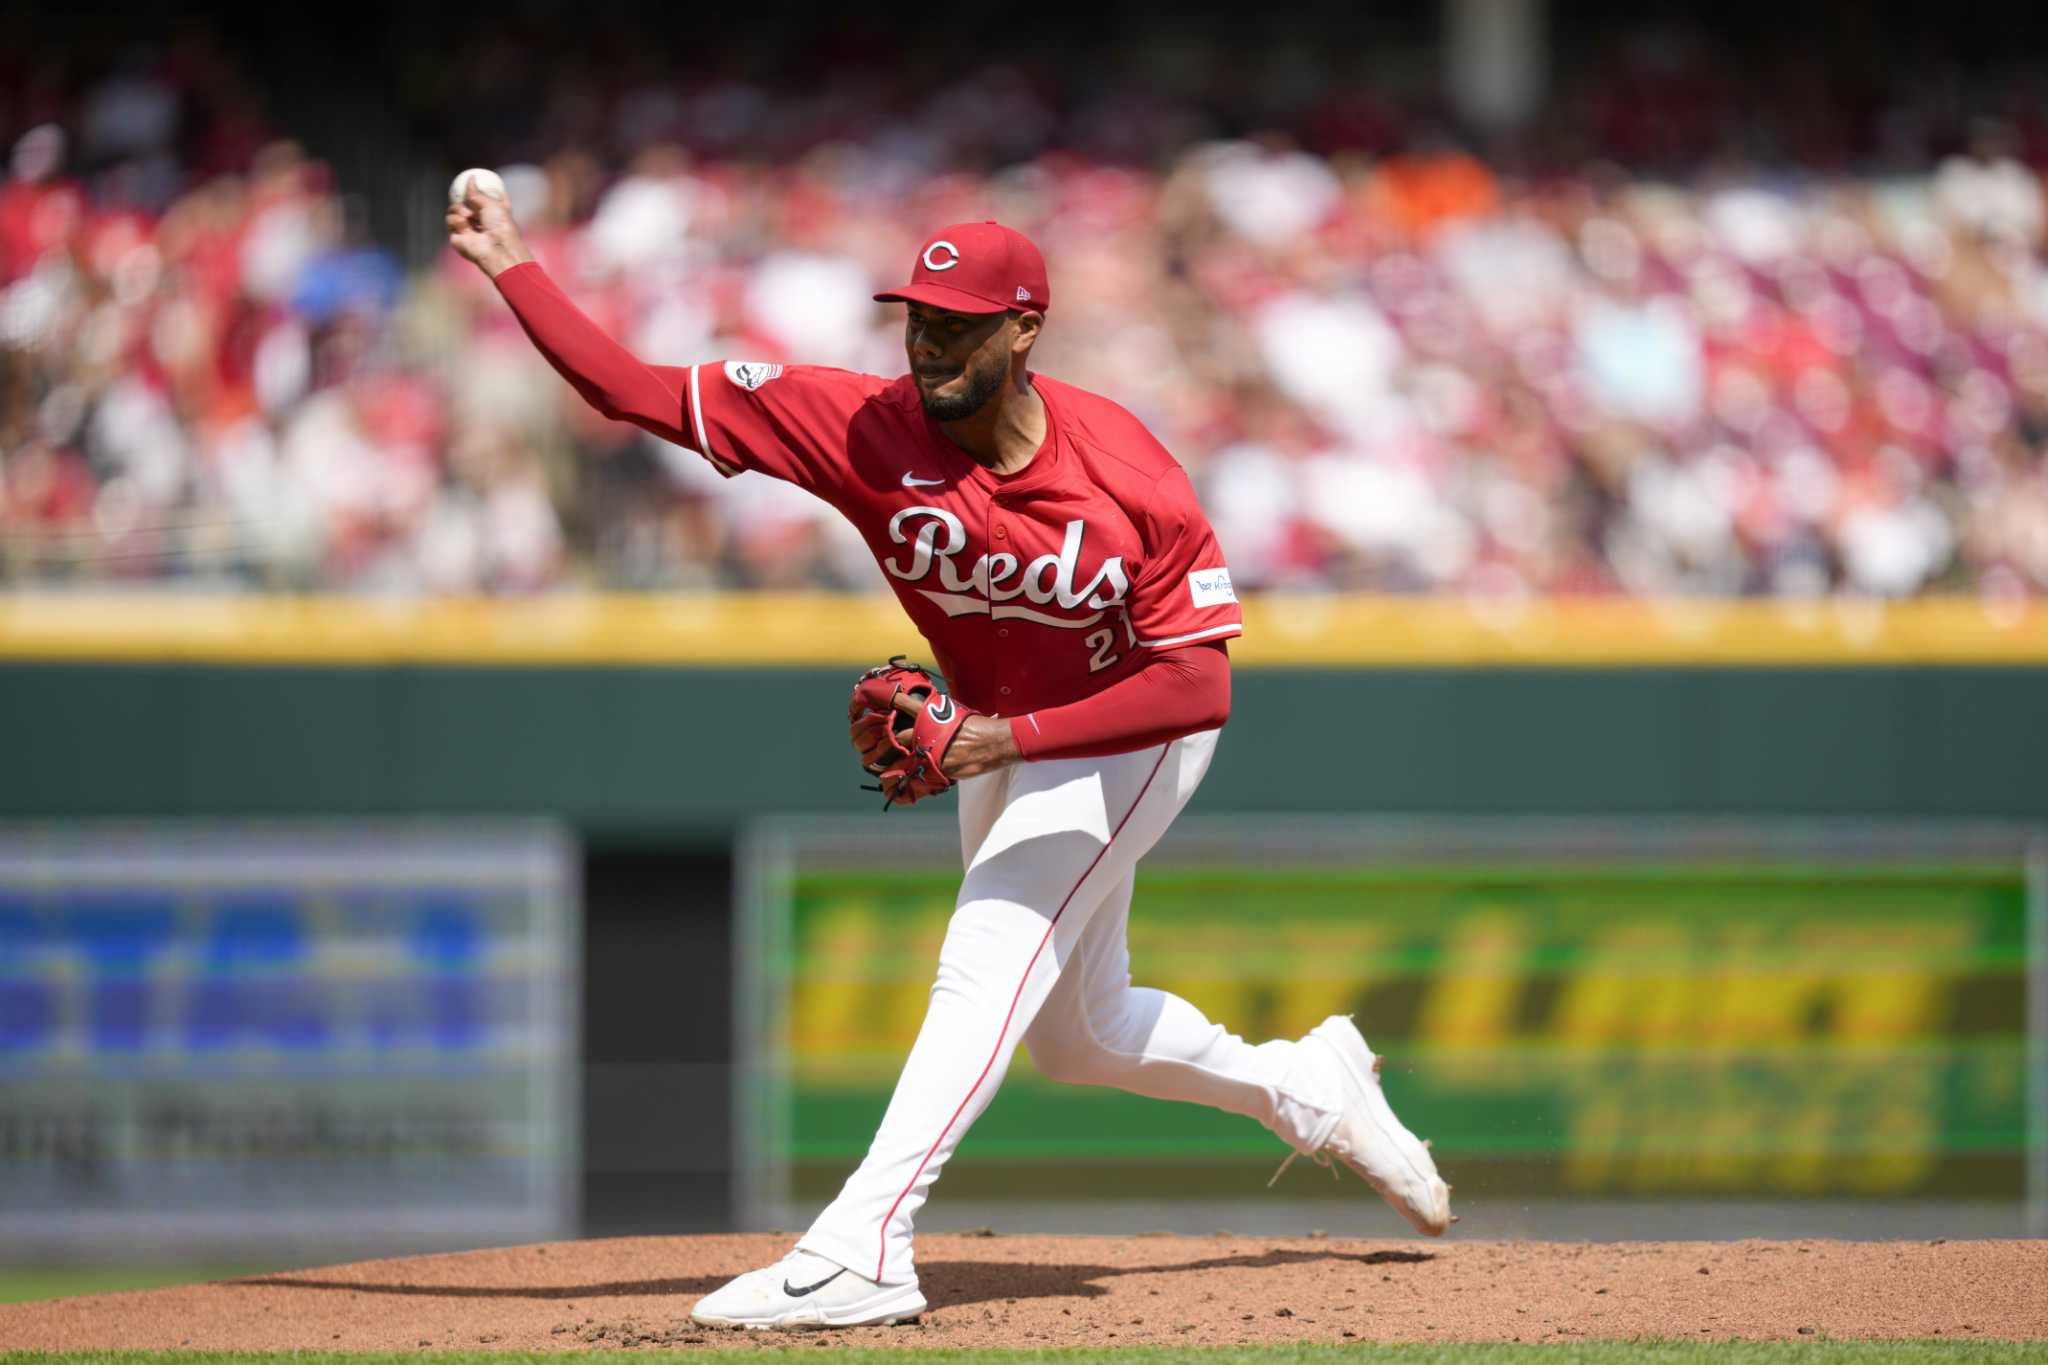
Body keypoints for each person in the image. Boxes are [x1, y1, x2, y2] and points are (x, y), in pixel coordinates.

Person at [447, 185, 1452, 1331]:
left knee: (988, 946)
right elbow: (630, 389)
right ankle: (1309, 1088)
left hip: (1130, 731)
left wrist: (999, 740)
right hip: (1000, 734)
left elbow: (1198, 680)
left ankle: (863, 1245)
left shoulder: (1124, 470)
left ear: (1022, 331)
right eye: (916, 320)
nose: (928, 344)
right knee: (1080, 1036)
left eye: (958, 324)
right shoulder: (860, 423)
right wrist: (514, 264)